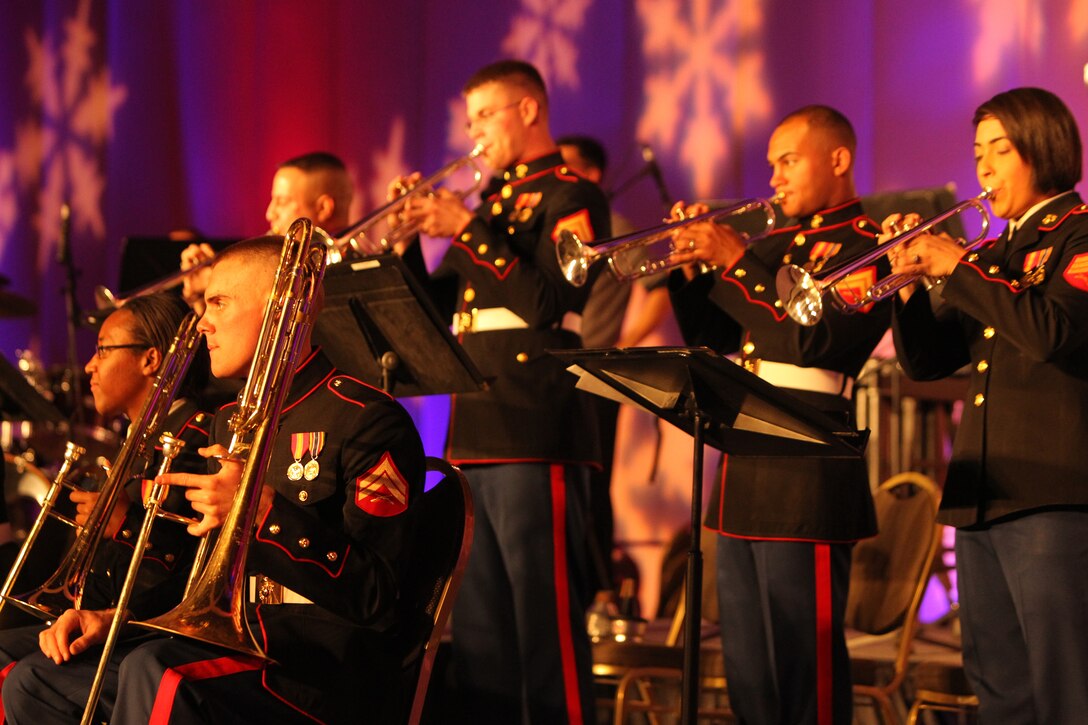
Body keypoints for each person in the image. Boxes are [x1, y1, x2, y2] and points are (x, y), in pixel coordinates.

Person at [0, 237, 427, 724]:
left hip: (316, 666)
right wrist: (114, 619)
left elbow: (377, 597)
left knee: (155, 672)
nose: (202, 322)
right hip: (233, 645)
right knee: (35, 683)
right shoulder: (228, 421)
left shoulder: (366, 418)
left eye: (219, 303)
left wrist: (261, 514)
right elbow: (189, 572)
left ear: (282, 310)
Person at [394, 60, 610, 723]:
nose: (474, 134)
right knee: (481, 627)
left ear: (528, 109)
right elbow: (437, 313)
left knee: (542, 620)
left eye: (485, 116)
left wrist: (465, 228)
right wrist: (405, 245)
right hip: (475, 425)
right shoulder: (487, 205)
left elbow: (546, 299)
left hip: (532, 423)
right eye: (469, 121)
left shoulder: (571, 195)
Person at [668, 105, 888, 724]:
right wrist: (694, 268)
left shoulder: (867, 245)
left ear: (838, 160)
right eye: (772, 166)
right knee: (749, 671)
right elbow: (714, 335)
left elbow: (811, 343)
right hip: (744, 464)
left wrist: (737, 262)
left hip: (807, 465)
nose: (775, 179)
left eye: (788, 161)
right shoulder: (780, 245)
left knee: (804, 668)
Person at [884, 87, 1088, 723]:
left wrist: (961, 270)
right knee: (998, 690)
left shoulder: (1078, 235)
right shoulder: (992, 254)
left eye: (1001, 149)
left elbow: (1053, 333)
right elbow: (927, 363)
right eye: (978, 152)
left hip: (1050, 494)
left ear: (1044, 149)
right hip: (980, 497)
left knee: (1064, 688)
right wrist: (910, 287)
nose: (985, 167)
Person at [0, 293, 210, 662]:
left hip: (141, 636)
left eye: (102, 350)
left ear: (150, 359)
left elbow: (182, 576)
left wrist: (123, 525)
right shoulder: (138, 441)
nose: (88, 366)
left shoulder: (193, 441)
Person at [556, 134, 674, 593]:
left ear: (591, 175)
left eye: (566, 168)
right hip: (553, 372)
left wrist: (619, 346)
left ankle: (597, 592)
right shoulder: (559, 224)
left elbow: (660, 295)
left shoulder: (613, 223)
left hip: (594, 374)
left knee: (592, 484)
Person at [180, 151, 354, 313]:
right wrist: (201, 299)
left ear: (323, 208)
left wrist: (215, 279)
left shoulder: (346, 274)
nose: (270, 214)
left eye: (282, 201)